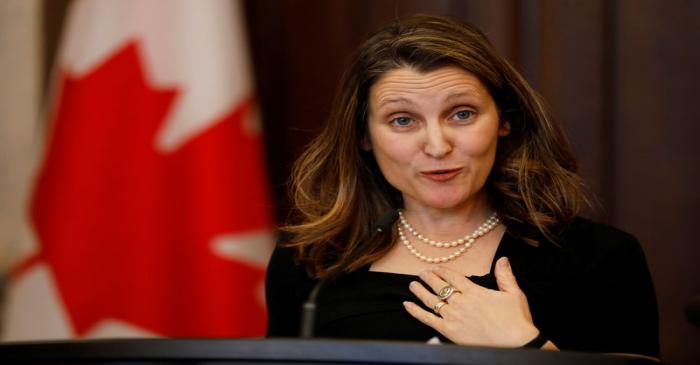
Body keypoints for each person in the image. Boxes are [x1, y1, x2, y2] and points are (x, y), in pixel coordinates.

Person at [265, 14, 660, 358]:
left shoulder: (600, 258)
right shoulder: (310, 263)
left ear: (504, 121)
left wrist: (526, 347)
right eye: (403, 120)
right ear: (364, 136)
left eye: (462, 114)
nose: (437, 147)